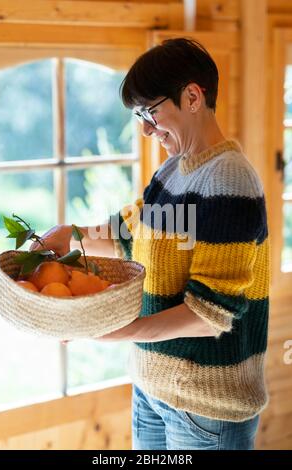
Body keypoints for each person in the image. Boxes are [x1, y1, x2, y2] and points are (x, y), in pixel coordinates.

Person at [31, 38, 269, 450]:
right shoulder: (173, 172)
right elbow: (128, 233)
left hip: (206, 409)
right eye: (139, 115)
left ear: (193, 96)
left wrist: (118, 330)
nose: (144, 127)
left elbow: (209, 314)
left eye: (150, 111)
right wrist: (69, 234)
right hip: (152, 393)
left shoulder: (228, 181)